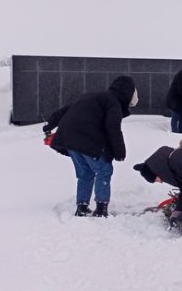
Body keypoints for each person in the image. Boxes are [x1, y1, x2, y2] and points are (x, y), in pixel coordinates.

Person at [43, 75, 138, 217]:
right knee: (104, 171)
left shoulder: (92, 96)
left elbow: (64, 111)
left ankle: (81, 207)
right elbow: (113, 128)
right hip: (88, 140)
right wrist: (119, 152)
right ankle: (101, 209)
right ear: (127, 94)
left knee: (85, 174)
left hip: (70, 141)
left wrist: (49, 124)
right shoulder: (113, 103)